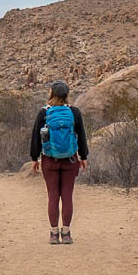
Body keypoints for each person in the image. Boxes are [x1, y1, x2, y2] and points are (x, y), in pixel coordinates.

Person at [29, 80, 89, 244]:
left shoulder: (44, 112)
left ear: (51, 94)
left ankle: (54, 234)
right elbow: (81, 135)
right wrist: (83, 157)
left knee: (53, 196)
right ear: (66, 95)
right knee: (67, 196)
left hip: (50, 160)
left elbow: (35, 136)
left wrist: (34, 158)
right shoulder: (74, 112)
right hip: (70, 160)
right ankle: (67, 233)